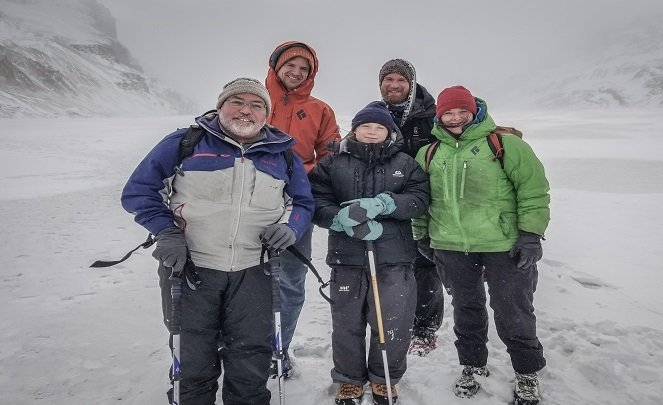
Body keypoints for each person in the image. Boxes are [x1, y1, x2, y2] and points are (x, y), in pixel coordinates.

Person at [120, 77, 314, 405]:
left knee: (251, 357)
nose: (246, 111)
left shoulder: (283, 155)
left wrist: (290, 228)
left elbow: (303, 203)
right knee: (193, 356)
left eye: (256, 105)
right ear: (220, 105)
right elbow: (139, 191)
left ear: (266, 113)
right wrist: (165, 231)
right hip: (192, 267)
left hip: (256, 270)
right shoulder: (186, 143)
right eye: (237, 102)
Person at [412, 86, 550, 405]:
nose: (456, 117)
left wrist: (531, 234)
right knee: (467, 308)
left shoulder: (505, 144)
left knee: (512, 308)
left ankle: (526, 372)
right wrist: (422, 235)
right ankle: (472, 366)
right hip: (450, 244)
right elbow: (421, 200)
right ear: (439, 115)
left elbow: (533, 191)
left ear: (475, 111)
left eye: (463, 110)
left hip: (504, 244)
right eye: (448, 112)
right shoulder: (429, 153)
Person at [308, 102, 430, 405]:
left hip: (394, 257)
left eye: (380, 127)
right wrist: (338, 218)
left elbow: (420, 199)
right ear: (355, 129)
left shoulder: (405, 162)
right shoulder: (334, 162)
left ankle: (384, 377)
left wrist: (388, 204)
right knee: (347, 322)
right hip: (347, 256)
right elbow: (316, 199)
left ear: (389, 132)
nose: (373, 132)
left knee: (392, 321)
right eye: (366, 126)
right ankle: (349, 380)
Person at [265, 41, 341, 377]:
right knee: (240, 279)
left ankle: (277, 350)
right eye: (290, 65)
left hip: (297, 204)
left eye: (304, 69)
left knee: (290, 280)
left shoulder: (319, 109)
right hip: (246, 201)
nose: (296, 73)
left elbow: (329, 156)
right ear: (276, 65)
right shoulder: (253, 99)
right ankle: (240, 347)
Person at [378, 58, 445, 357]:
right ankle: (394, 320)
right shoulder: (377, 114)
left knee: (425, 265)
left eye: (400, 81)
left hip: (424, 199)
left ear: (412, 84)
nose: (394, 85)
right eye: (388, 80)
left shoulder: (429, 115)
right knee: (390, 266)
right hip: (387, 202)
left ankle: (425, 327)